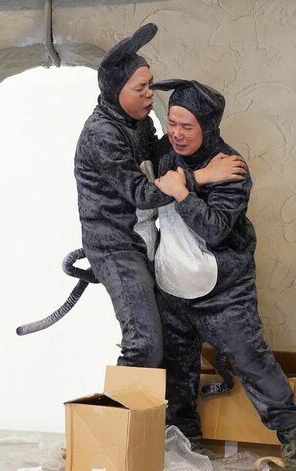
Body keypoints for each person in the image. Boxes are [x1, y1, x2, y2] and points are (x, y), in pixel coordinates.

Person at [73, 23, 245, 366]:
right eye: (141, 88)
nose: (150, 94)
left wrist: (195, 132)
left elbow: (159, 159)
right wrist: (204, 175)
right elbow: (142, 193)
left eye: (150, 85)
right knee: (144, 344)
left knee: (170, 339)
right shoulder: (102, 134)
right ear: (116, 91)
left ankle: (165, 403)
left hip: (143, 239)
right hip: (116, 247)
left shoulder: (139, 122)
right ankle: (121, 404)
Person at [152, 79, 296, 467]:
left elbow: (215, 229)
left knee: (250, 359)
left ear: (208, 125)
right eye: (172, 123)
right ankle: (184, 441)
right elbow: (141, 191)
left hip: (224, 292)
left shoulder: (232, 167)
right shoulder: (164, 152)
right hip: (172, 287)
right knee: (176, 369)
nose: (177, 134)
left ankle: (292, 435)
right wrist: (196, 179)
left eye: (187, 127)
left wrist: (183, 192)